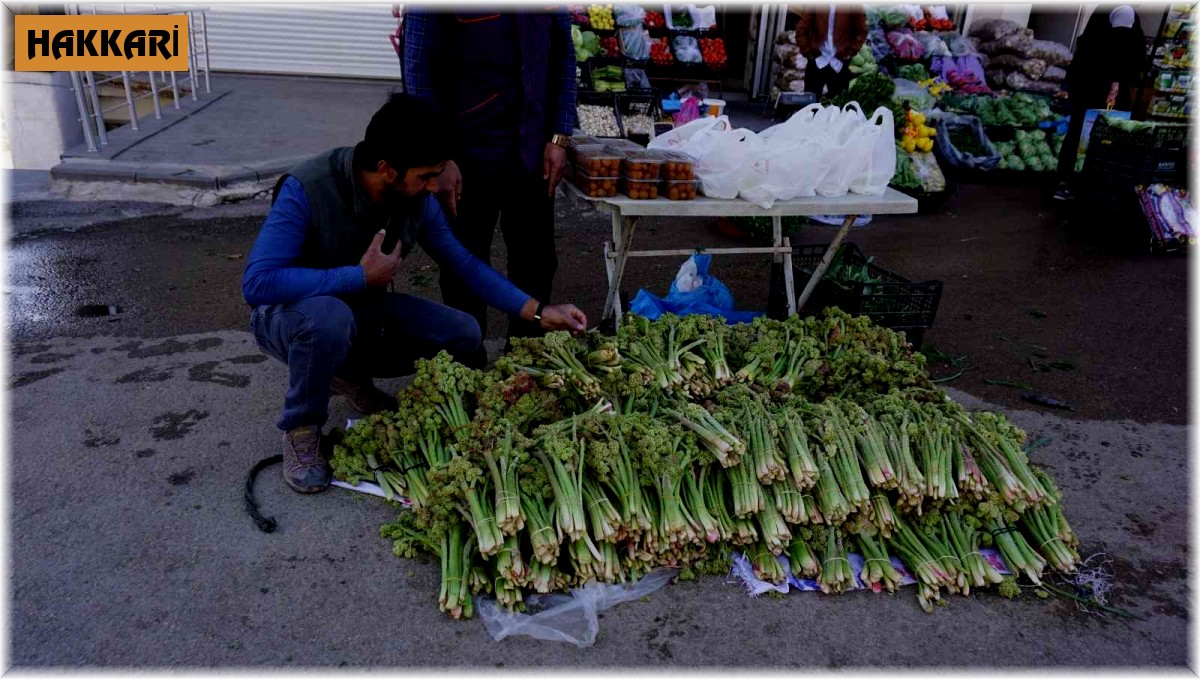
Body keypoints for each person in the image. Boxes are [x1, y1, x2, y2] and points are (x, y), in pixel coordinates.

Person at [242, 93, 588, 494]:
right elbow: (258, 284)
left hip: (362, 314)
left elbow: (465, 264)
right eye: (425, 176)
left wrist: (541, 312)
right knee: (327, 319)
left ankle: (348, 375)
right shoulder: (308, 187)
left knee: (464, 331)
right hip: (290, 319)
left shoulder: (414, 198)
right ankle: (302, 428)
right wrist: (356, 277)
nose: (433, 186)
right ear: (386, 168)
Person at [402, 10, 577, 364]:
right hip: (465, 155)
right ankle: (468, 360)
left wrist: (560, 135)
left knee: (536, 261)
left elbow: (564, 53)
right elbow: (418, 73)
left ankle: (524, 359)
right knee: (463, 263)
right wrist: (439, 156)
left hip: (532, 150)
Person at [1054, 5, 1146, 201]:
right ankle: (1083, 183)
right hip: (1102, 86)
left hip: (1088, 82)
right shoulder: (1124, 10)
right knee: (1102, 133)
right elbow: (1120, 48)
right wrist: (1115, 84)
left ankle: (1066, 182)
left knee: (1079, 130)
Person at [793, 4, 869, 98]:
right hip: (817, 61)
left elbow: (862, 31)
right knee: (809, 107)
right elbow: (801, 29)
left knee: (838, 108)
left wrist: (849, 52)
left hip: (839, 63)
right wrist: (807, 51)